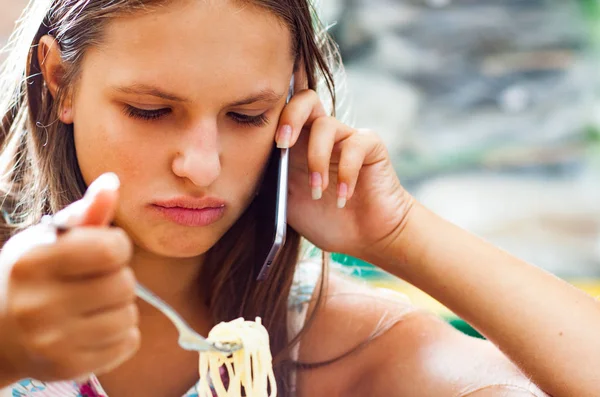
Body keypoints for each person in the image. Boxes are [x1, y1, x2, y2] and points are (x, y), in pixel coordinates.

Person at [0, 1, 596, 396]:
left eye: (246, 115)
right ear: (58, 81)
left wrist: (400, 234)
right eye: (150, 111)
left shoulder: (324, 337)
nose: (201, 166)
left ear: (291, 106)